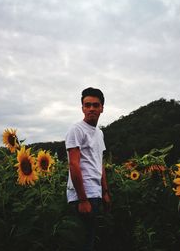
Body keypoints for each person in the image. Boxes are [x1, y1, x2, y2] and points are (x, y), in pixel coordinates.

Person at [66, 87, 111, 251]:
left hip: (96, 193)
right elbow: (74, 165)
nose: (91, 108)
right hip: (83, 195)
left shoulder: (99, 133)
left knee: (90, 240)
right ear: (82, 108)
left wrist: (105, 191)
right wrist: (83, 199)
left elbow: (100, 162)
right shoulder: (76, 129)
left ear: (102, 108)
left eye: (95, 105)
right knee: (82, 243)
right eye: (87, 105)